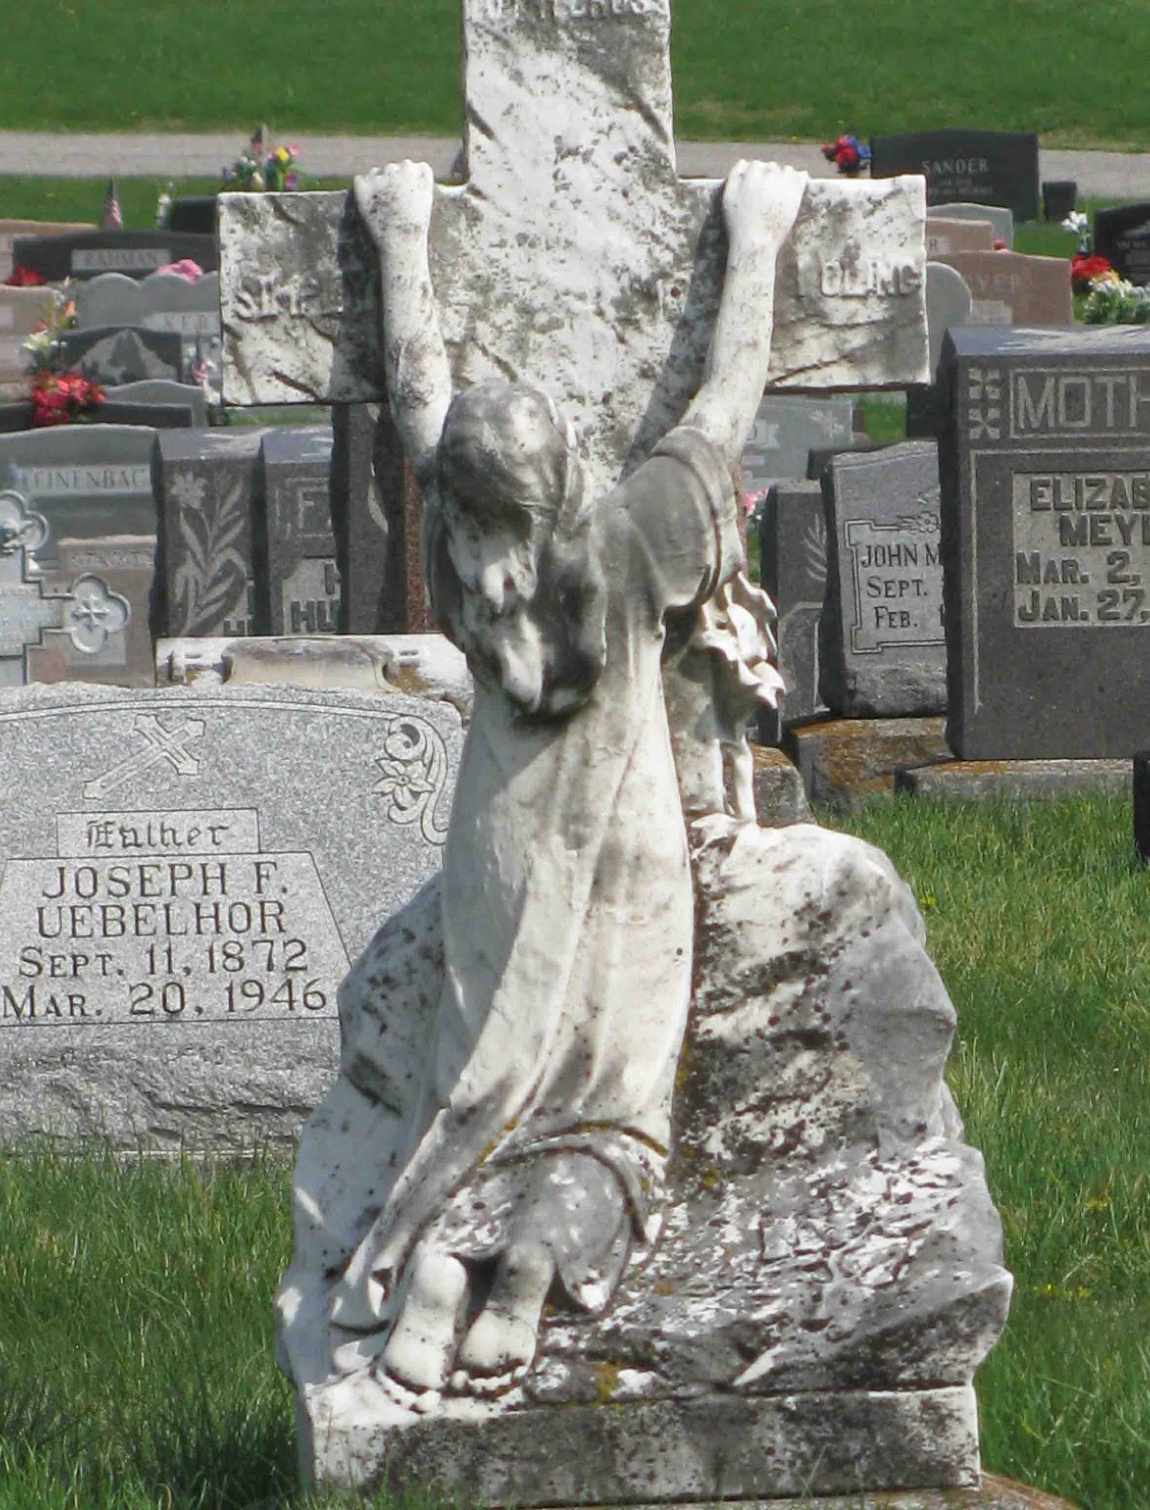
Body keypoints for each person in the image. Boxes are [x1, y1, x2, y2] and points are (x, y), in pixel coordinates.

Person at [297, 158, 807, 1413]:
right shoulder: (631, 539)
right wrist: (758, 235)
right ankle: (528, 1270)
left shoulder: (469, 574)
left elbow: (420, 390)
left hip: (496, 847)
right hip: (626, 861)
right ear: (562, 473)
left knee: (482, 1078)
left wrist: (402, 229)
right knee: (612, 1109)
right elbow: (726, 401)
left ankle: (429, 1268)